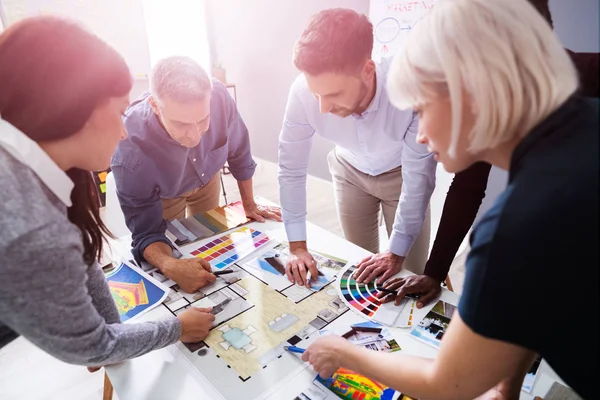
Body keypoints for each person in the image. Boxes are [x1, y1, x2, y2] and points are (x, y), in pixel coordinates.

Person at [302, 1, 598, 399]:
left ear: (471, 92)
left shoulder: (515, 229)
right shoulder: (585, 120)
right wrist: (509, 384)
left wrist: (342, 351)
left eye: (422, 109)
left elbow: (448, 384)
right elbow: (539, 291)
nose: (421, 134)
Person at [0, 17, 215, 368]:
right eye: (118, 113)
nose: (123, 132)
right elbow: (90, 347)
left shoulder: (39, 164)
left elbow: (86, 260)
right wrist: (176, 327)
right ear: (73, 113)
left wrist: (112, 329)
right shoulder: (32, 231)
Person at [377, 0, 600, 309]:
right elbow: (467, 188)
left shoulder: (520, 224)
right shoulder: (486, 130)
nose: (420, 135)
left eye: (423, 107)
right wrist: (434, 272)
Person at [278, 8, 436, 288]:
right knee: (360, 266)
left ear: (367, 69)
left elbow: (418, 180)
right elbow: (291, 170)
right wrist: (297, 246)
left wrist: (396, 253)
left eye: (334, 94)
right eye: (317, 94)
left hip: (401, 175)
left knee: (410, 272)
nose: (323, 107)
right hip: (348, 171)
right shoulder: (301, 92)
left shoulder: (410, 87)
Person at [111, 56, 281, 294]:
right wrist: (171, 265)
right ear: (155, 106)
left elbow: (239, 148)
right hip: (165, 194)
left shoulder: (219, 96)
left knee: (208, 245)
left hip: (207, 176)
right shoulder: (129, 150)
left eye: (203, 120)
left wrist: (249, 203)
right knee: (176, 252)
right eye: (181, 124)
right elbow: (145, 233)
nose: (194, 136)